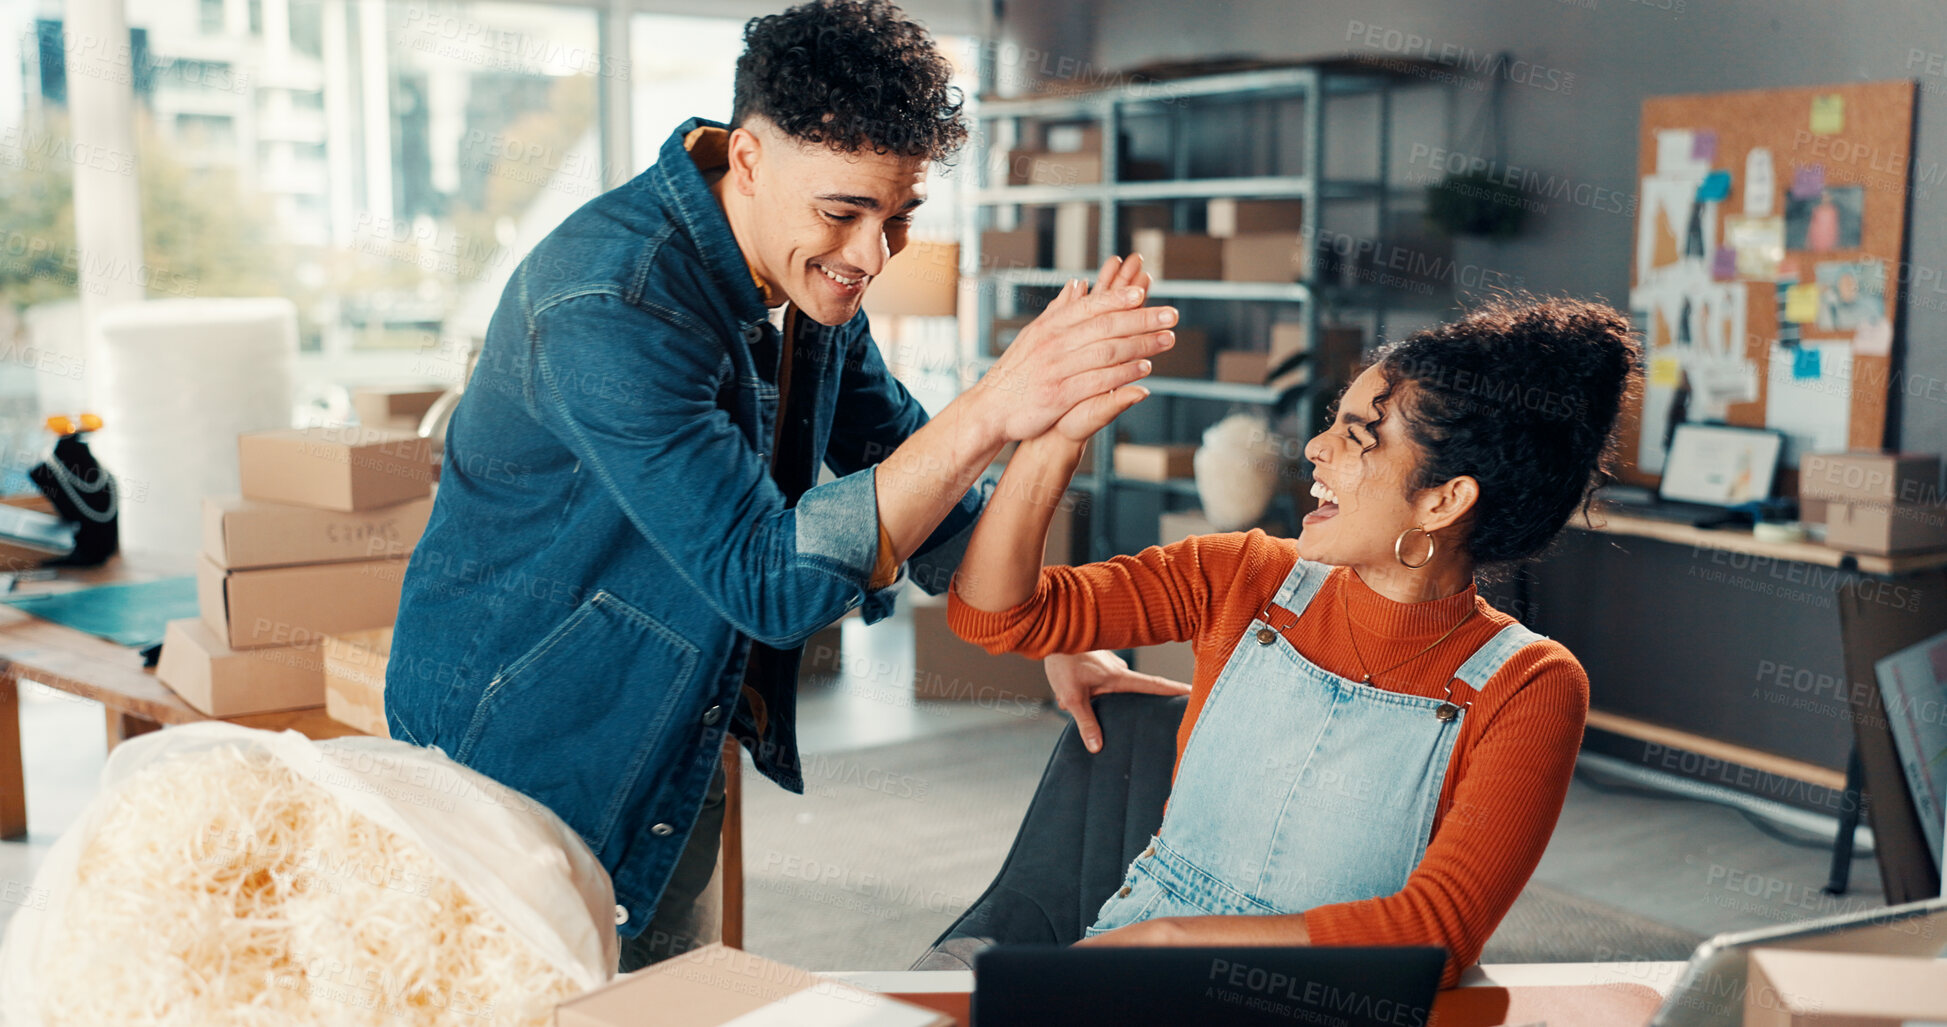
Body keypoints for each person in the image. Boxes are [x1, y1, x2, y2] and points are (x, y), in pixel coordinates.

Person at [385, 0, 1183, 972]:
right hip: (515, 747)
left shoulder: (807, 282)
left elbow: (909, 471)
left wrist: (1059, 634)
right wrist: (993, 407)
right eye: (844, 212)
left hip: (672, 727)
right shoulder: (610, 302)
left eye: (898, 218)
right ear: (749, 158)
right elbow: (767, 579)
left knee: (668, 999)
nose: (871, 256)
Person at [948, 297, 1642, 987]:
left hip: (1325, 996)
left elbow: (1435, 934)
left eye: (1356, 434)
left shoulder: (1529, 683)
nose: (1316, 447)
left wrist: (1165, 937)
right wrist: (1053, 439)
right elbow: (998, 616)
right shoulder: (1244, 574)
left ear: (1441, 501)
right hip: (1135, 971)